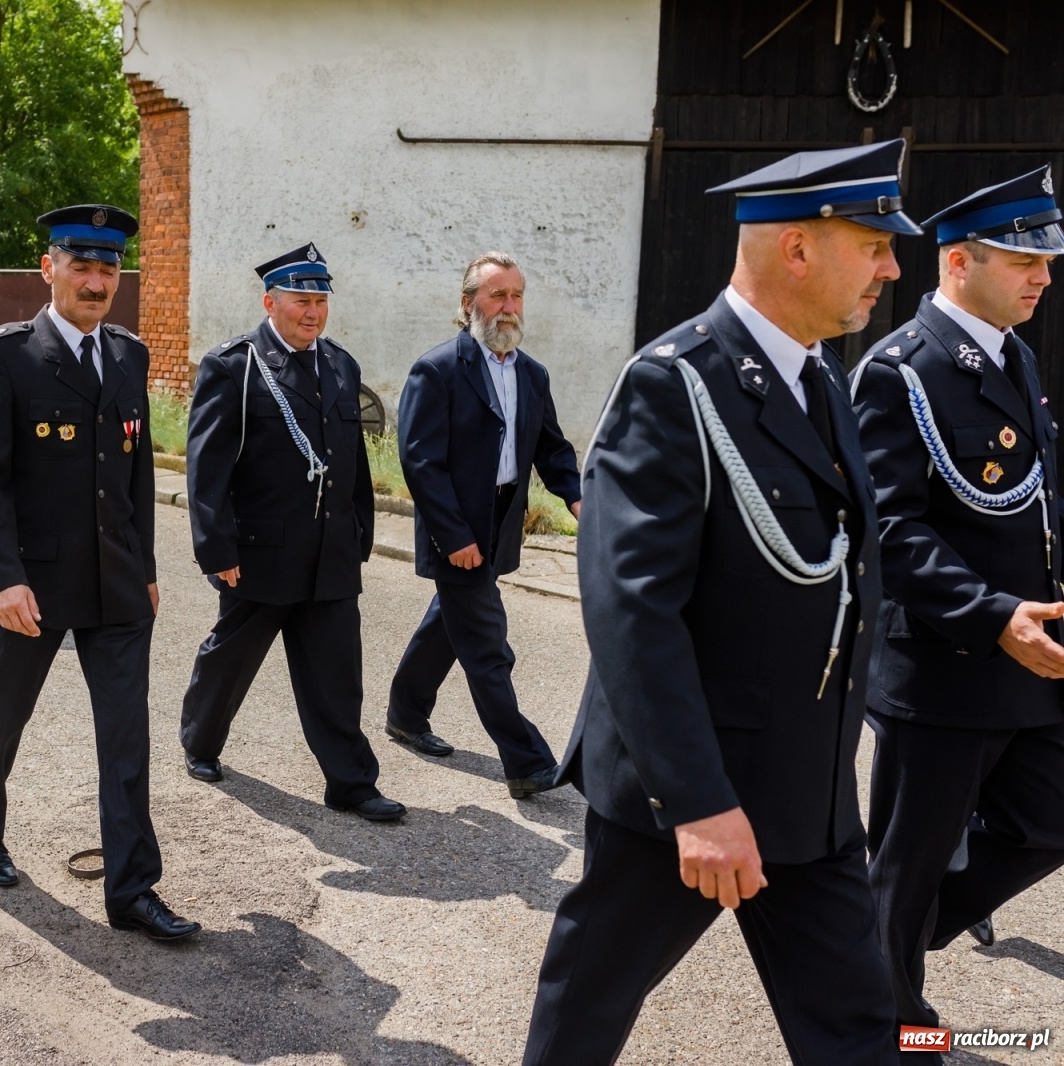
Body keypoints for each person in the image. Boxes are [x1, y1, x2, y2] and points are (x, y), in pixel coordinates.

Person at [523, 142, 913, 1065]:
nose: (893, 267)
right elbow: (631, 609)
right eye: (876, 245)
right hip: (688, 795)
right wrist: (697, 802)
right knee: (587, 1013)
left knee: (865, 1029)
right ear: (800, 250)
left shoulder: (820, 380)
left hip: (809, 794)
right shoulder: (674, 382)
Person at [851, 165, 1064, 1038]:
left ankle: (889, 937)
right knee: (904, 869)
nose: (1042, 277)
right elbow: (891, 533)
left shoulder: (1016, 355)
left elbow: (1038, 501)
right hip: (946, 669)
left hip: (1033, 658)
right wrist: (990, 615)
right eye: (1022, 259)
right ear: (957, 262)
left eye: (1046, 261)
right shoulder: (900, 371)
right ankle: (891, 1030)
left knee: (1047, 824)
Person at [0, 204, 199, 941]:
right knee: (6, 710)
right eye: (82, 266)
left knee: (125, 735)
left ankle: (132, 889)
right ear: (49, 268)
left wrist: (149, 566)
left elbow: (134, 473)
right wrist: (1, 579)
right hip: (34, 580)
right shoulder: (4, 354)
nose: (96, 282)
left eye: (108, 268)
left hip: (118, 581)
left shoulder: (128, 355)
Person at [181, 244, 404, 823]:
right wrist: (216, 546)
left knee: (336, 670)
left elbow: (350, 456)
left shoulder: (340, 364)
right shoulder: (236, 365)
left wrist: (359, 531)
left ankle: (351, 783)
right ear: (270, 301)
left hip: (329, 551)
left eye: (320, 301)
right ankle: (200, 741)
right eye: (301, 300)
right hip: (262, 550)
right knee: (232, 657)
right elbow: (208, 466)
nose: (313, 312)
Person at [384, 252, 581, 798]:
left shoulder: (531, 373)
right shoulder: (438, 369)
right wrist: (454, 536)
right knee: (488, 643)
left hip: (501, 519)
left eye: (517, 296)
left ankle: (405, 713)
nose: (510, 308)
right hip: (458, 525)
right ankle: (527, 761)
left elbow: (551, 446)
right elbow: (421, 461)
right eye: (498, 296)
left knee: (451, 619)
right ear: (469, 302)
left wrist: (578, 498)